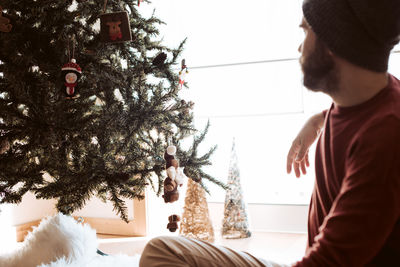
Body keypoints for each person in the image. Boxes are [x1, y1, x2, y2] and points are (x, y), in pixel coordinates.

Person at [139, 0, 400, 266]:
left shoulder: (384, 139)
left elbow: (330, 262)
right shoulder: (365, 100)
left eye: (305, 31)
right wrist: (318, 120)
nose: (300, 47)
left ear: (333, 43)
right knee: (161, 251)